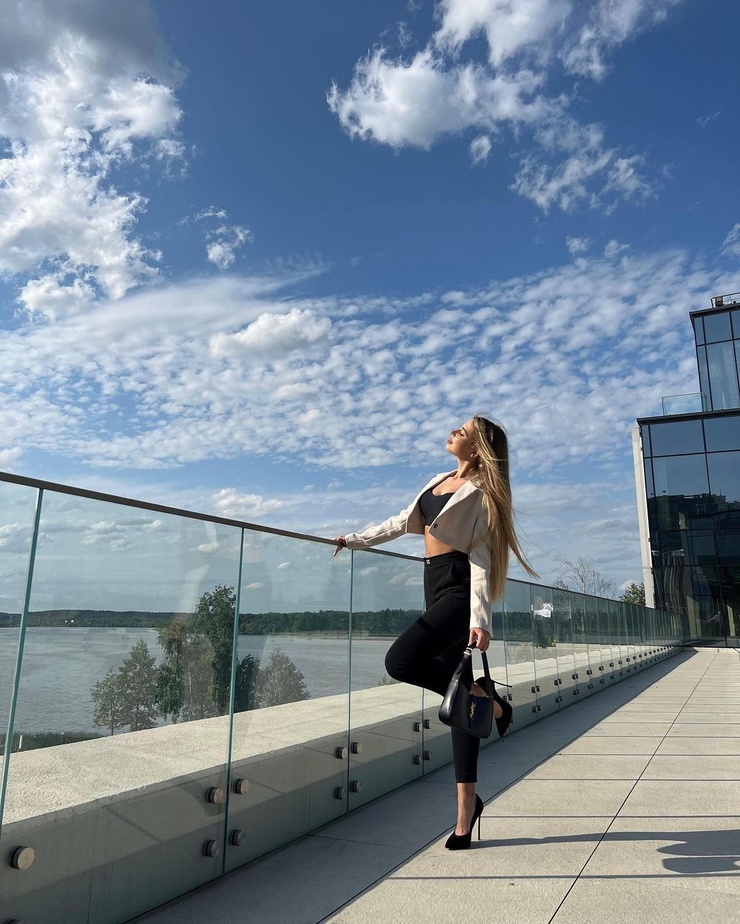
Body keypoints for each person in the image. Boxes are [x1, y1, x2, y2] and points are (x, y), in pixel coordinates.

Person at [333, 415, 536, 849]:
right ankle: (466, 809)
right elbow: (400, 521)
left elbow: (481, 557)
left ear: (477, 448)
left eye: (462, 431)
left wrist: (480, 620)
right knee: (461, 707)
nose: (452, 432)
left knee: (399, 661)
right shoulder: (438, 480)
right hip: (433, 585)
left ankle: (487, 701)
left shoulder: (482, 493)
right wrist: (354, 539)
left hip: (459, 590)